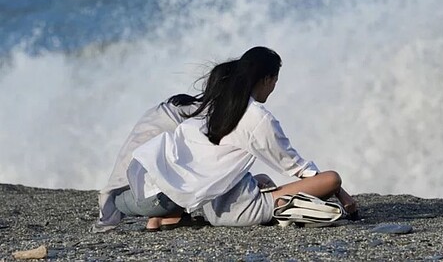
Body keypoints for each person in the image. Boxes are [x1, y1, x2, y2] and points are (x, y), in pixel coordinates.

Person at [125, 46, 358, 228]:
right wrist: (340, 192)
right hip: (235, 209)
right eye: (275, 81)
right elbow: (295, 166)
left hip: (187, 197)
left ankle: (167, 218)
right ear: (267, 79)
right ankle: (277, 206)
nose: (274, 87)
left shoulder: (219, 102)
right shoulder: (257, 118)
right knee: (332, 179)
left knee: (264, 178)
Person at [92, 94, 203, 232]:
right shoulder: (200, 115)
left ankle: (155, 218)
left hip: (119, 200)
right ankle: (172, 216)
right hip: (155, 201)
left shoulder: (160, 110)